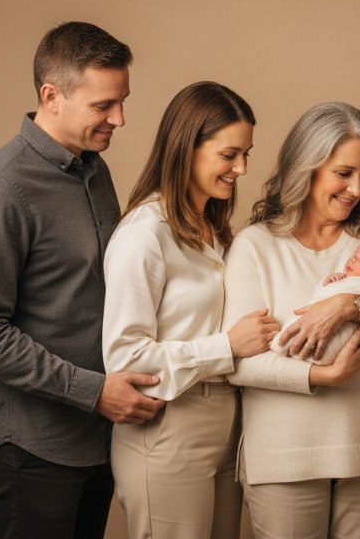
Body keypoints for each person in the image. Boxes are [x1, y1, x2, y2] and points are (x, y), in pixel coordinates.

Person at [0, 21, 162, 539]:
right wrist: (93, 393)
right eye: (103, 106)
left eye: (122, 101)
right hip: (33, 446)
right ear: (51, 96)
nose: (120, 118)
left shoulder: (94, 167)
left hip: (98, 438)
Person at [222, 102, 360, 539]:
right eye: (343, 172)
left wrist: (346, 306)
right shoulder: (255, 246)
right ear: (308, 167)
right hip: (284, 454)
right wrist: (324, 375)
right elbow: (241, 361)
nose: (356, 188)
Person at [101, 81, 279, 539]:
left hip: (227, 421)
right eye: (228, 154)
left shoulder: (216, 231)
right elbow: (125, 360)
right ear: (187, 147)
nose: (241, 168)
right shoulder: (144, 235)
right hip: (167, 428)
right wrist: (227, 346)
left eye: (246, 154)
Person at [270, 237, 360, 365]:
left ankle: (281, 343)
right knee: (299, 326)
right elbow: (320, 295)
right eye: (353, 256)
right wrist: (327, 283)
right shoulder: (345, 279)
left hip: (341, 342)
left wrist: (346, 304)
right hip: (314, 330)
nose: (352, 260)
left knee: (329, 337)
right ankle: (284, 343)